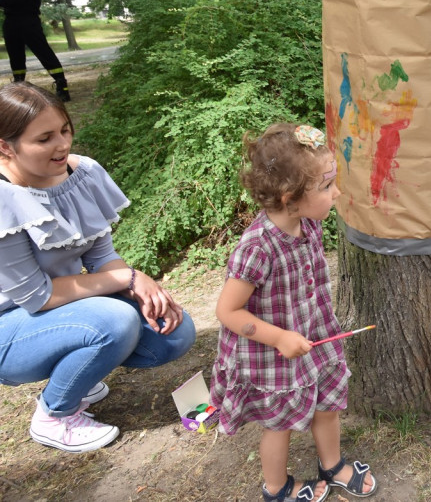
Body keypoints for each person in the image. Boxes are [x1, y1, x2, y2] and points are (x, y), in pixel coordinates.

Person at [0, 81, 195, 453]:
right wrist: (127, 278)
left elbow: (101, 254)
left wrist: (141, 291)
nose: (62, 145)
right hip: (11, 329)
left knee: (175, 332)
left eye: (65, 130)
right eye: (44, 139)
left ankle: (76, 373)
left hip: (65, 311)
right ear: (5, 146)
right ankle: (54, 415)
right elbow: (36, 297)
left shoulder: (82, 173)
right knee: (113, 321)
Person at [211, 123, 377, 502]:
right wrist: (279, 337)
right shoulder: (257, 247)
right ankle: (277, 488)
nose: (337, 192)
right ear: (289, 197)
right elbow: (227, 310)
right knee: (278, 424)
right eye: (326, 186)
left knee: (328, 402)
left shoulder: (309, 223)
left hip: (314, 333)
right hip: (273, 352)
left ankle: (332, 466)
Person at [0, 0, 70, 102]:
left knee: (43, 52)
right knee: (15, 56)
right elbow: (12, 0)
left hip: (28, 20)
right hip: (11, 21)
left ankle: (61, 85)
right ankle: (18, 88)